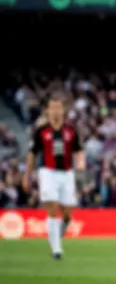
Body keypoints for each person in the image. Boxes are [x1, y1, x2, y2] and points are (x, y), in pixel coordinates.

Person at [23, 95, 85, 260]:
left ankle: (59, 232)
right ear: (47, 111)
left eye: (59, 107)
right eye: (53, 108)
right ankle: (56, 249)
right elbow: (32, 154)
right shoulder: (41, 131)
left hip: (67, 172)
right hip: (48, 172)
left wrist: (81, 163)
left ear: (63, 110)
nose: (56, 111)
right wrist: (27, 176)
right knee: (52, 205)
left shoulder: (71, 130)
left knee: (68, 213)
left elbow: (78, 150)